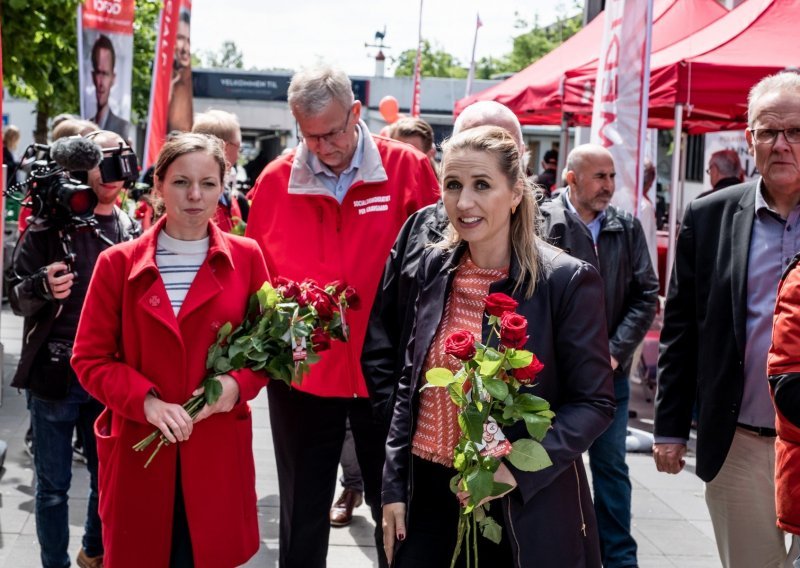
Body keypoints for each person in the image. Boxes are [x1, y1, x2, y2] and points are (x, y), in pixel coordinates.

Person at [381, 125, 615, 567]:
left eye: (481, 185)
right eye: (453, 185)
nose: (464, 202)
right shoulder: (434, 266)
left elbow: (594, 403)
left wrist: (516, 470)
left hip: (517, 501)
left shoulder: (565, 280)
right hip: (427, 492)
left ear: (514, 193)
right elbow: (408, 384)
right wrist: (393, 488)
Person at [245, 63, 439, 568]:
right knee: (302, 511)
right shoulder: (273, 182)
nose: (322, 147)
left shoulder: (408, 170)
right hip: (302, 376)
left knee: (395, 509)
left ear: (356, 113)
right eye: (309, 137)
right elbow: (254, 279)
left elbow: (440, 268)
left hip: (387, 375)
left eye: (331, 132)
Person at [72, 133, 269, 567]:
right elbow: (89, 358)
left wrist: (235, 386)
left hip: (215, 446)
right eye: (181, 182)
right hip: (140, 444)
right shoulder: (117, 263)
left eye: (208, 183)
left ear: (223, 186)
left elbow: (267, 348)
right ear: (158, 185)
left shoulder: (248, 256)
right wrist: (146, 402)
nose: (195, 196)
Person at [654, 71, 800, 568]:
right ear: (750, 139)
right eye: (769, 131)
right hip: (739, 443)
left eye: (796, 132)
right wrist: (669, 428)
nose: (782, 145)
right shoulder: (708, 216)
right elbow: (681, 332)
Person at [6, 130, 140, 568]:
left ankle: (93, 552)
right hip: (53, 375)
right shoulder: (47, 226)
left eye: (121, 160)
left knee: (108, 481)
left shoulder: (130, 227)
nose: (113, 172)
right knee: (52, 488)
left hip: (107, 377)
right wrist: (41, 285)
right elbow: (15, 296)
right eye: (103, 160)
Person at [542, 144, 659, 568]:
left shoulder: (625, 227)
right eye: (599, 177)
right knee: (553, 464)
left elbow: (646, 295)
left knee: (611, 468)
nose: (609, 186)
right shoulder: (541, 221)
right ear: (571, 178)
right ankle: (560, 551)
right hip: (553, 375)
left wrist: (612, 353)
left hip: (609, 376)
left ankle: (619, 559)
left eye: (611, 176)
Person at [191, 109, 250, 233]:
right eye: (239, 148)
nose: (239, 155)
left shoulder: (231, 197)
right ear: (225, 148)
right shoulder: (195, 198)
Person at [89, 35, 131, 140]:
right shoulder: (85, 124)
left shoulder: (122, 126)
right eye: (98, 73)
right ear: (93, 76)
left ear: (113, 78)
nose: (101, 83)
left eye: (105, 74)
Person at [168, 8, 194, 133]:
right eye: (180, 38)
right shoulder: (164, 80)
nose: (185, 48)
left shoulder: (187, 83)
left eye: (188, 40)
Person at [3, 124, 20, 190]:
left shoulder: (11, 149)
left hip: (11, 183)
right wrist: (17, 163)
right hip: (8, 184)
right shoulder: (4, 149)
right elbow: (6, 164)